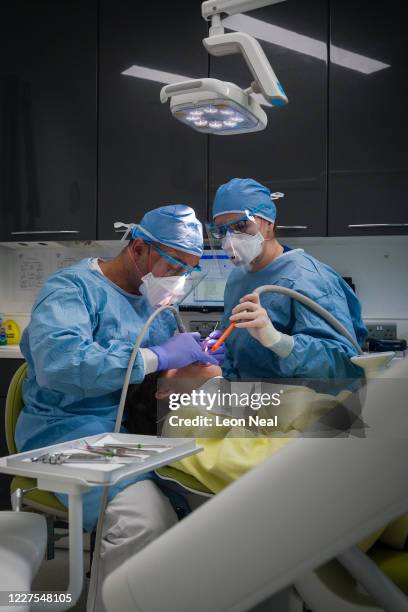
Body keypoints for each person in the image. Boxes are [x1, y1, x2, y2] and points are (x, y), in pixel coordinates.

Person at [14, 204, 218, 612]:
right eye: (174, 266)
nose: (178, 280)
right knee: (142, 521)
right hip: (69, 434)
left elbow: (154, 379)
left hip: (135, 437)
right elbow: (61, 366)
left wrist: (193, 365)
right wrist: (156, 357)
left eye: (188, 271)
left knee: (213, 506)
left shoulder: (157, 305)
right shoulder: (71, 291)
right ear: (139, 249)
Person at [208, 178, 368, 381]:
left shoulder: (308, 277)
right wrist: (220, 359)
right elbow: (239, 354)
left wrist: (277, 340)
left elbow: (345, 364)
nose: (230, 241)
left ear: (268, 223)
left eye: (241, 226)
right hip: (252, 401)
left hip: (306, 407)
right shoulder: (237, 278)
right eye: (221, 231)